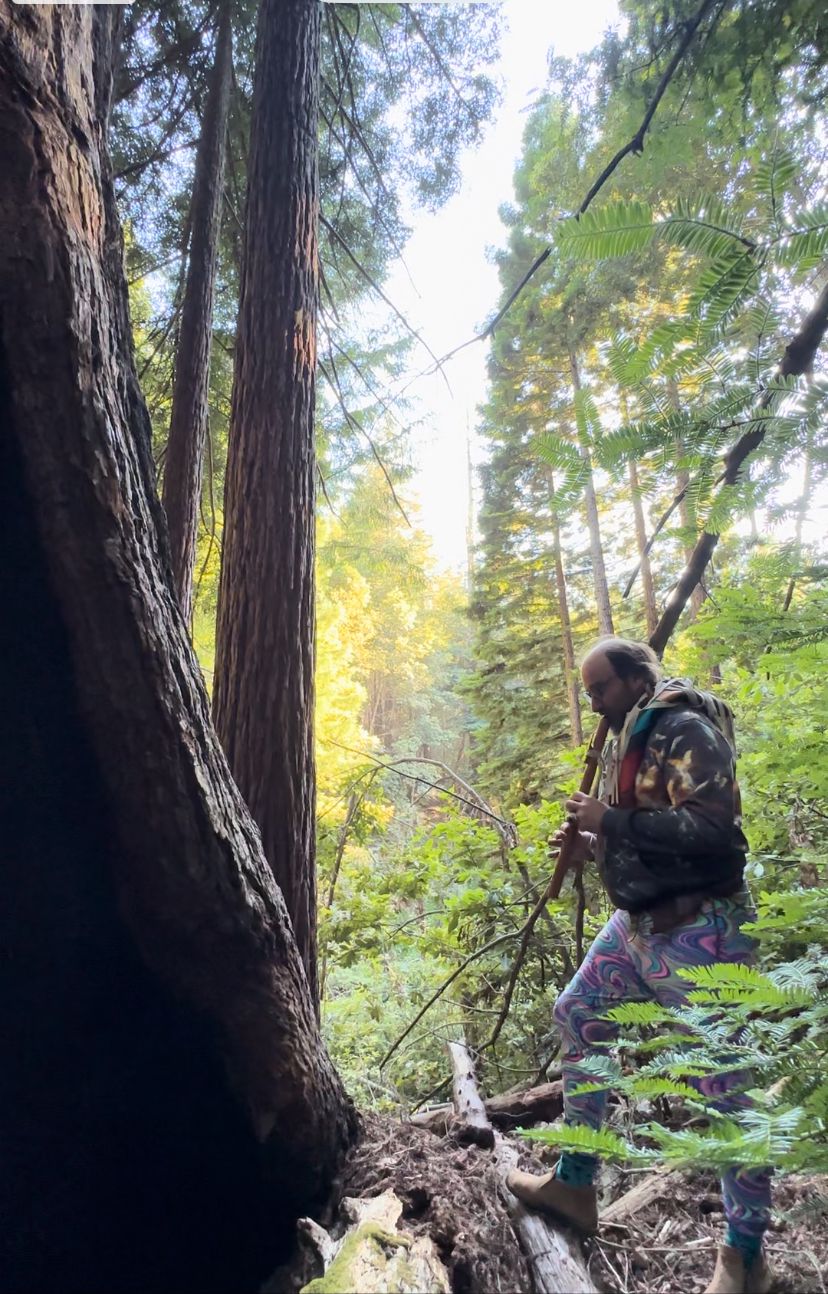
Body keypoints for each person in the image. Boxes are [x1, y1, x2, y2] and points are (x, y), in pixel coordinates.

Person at [506, 637, 771, 1294]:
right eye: (588, 692)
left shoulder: (683, 727)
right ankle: (574, 1183)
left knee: (728, 1090)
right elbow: (645, 832)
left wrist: (611, 822)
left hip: (702, 927)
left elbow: (716, 834)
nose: (593, 702)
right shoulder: (635, 736)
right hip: (640, 927)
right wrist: (595, 839)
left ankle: (746, 1258)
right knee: (579, 1009)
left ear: (633, 679)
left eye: (600, 689)